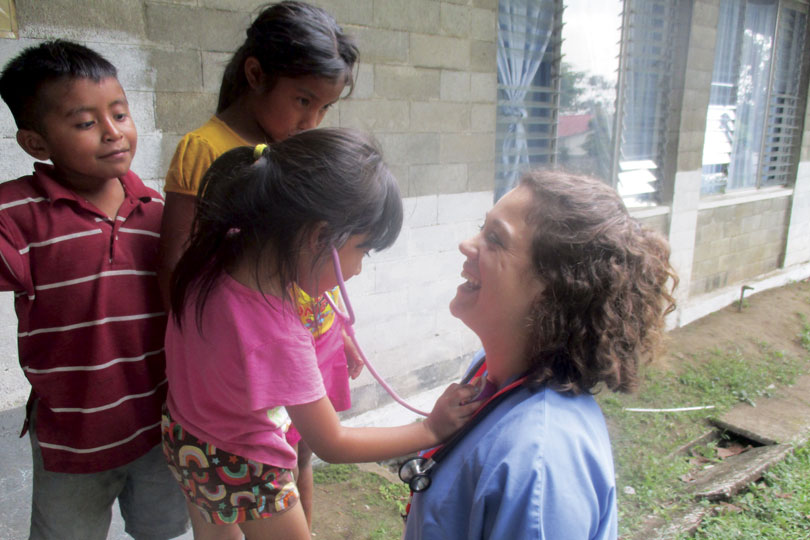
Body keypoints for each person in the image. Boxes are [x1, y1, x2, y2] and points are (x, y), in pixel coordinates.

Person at [162, 128, 480, 540]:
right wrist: (431, 430)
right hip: (245, 467)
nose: (357, 270)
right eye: (362, 251)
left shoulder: (217, 251)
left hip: (184, 439)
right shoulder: (279, 333)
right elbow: (332, 442)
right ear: (318, 236)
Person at [157, 2, 360, 524]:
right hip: (249, 374)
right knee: (253, 480)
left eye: (324, 109)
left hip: (305, 349)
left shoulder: (299, 152)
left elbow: (320, 253)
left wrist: (342, 330)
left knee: (299, 461)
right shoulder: (206, 150)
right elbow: (179, 268)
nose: (311, 122)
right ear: (254, 75)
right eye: (302, 101)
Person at [402, 170, 678, 540]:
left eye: (495, 239)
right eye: (482, 228)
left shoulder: (541, 466)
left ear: (553, 291)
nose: (467, 245)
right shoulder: (490, 367)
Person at [0, 41, 188, 540]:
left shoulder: (161, 213)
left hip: (162, 429)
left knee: (164, 532)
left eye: (120, 113)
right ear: (36, 143)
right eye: (85, 123)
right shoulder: (18, 214)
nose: (113, 133)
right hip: (73, 439)